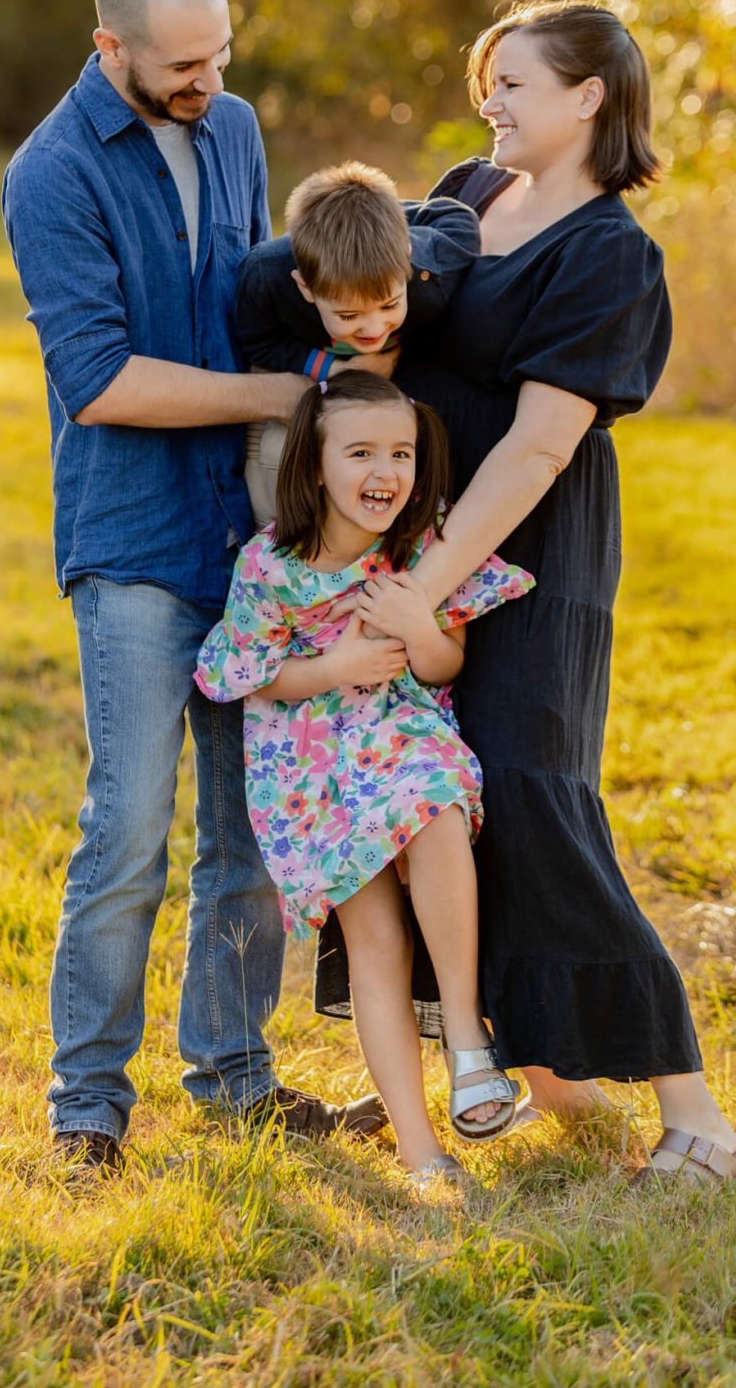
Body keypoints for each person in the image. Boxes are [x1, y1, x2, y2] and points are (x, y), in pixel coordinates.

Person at [1, 0, 383, 1177]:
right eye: (179, 64)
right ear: (108, 46)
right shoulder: (49, 173)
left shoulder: (233, 125)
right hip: (131, 541)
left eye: (220, 54)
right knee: (129, 826)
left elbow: (248, 285)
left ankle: (233, 1076)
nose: (206, 83)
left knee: (252, 826)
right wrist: (273, 395)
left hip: (248, 540)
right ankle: (87, 1105)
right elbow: (100, 378)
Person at [362, 0, 736, 1189]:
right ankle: (523, 1070)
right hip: (415, 536)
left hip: (531, 556)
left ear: (590, 98)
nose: (494, 100)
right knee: (427, 798)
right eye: (489, 78)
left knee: (531, 793)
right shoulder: (465, 193)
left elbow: (535, 450)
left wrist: (427, 590)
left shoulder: (612, 255)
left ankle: (700, 1121)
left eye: (517, 81)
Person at [194, 372, 533, 1188]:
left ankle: (463, 1034)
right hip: (311, 767)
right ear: (315, 467)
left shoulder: (418, 550)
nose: (386, 472)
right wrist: (334, 664)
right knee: (374, 942)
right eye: (360, 453)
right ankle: (420, 1153)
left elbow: (446, 661)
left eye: (402, 453)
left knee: (437, 809)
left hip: (396, 736)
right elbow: (242, 672)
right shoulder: (269, 564)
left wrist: (420, 626)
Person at [235, 160, 480, 523]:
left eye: (389, 306)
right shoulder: (264, 278)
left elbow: (458, 218)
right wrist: (336, 369)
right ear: (306, 287)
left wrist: (397, 223)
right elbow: (259, 344)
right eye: (349, 316)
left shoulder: (431, 276)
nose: (374, 328)